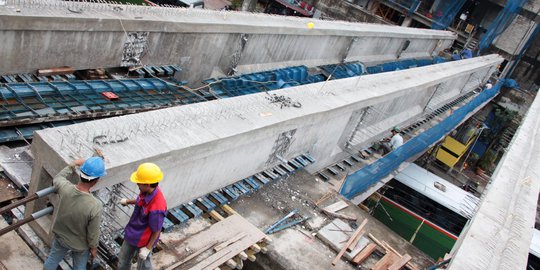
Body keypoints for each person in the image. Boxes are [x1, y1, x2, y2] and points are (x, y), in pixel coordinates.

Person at [44, 157, 107, 270]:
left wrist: (73, 164)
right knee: (79, 267)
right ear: (96, 180)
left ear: (81, 174)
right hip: (80, 245)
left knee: (52, 259)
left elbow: (58, 178)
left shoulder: (65, 188)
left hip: (60, 236)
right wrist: (93, 248)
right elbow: (93, 232)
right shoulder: (95, 205)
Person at [117, 163, 167, 270]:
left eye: (139, 183)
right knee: (123, 260)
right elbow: (141, 201)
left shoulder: (157, 206)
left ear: (147, 184)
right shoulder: (146, 191)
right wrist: (128, 201)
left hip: (144, 241)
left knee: (143, 266)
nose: (137, 184)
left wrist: (147, 248)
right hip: (133, 233)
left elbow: (157, 230)